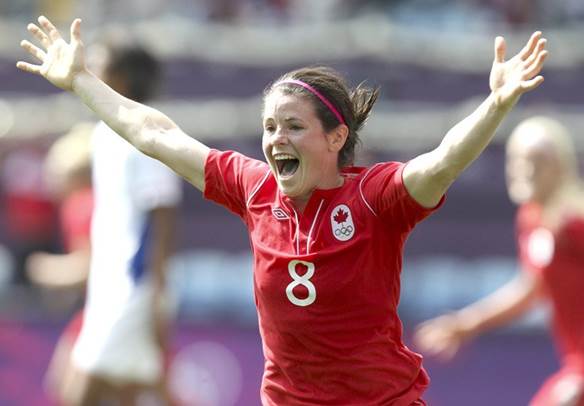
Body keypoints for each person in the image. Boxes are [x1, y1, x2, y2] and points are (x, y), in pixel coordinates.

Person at [17, 16, 547, 405]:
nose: (276, 140)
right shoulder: (253, 189)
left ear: (337, 136)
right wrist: (82, 83)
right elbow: (155, 133)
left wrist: (495, 104)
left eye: (294, 126)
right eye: (270, 127)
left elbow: (443, 160)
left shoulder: (376, 198)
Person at [21, 33, 182, 405]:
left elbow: (162, 217)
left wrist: (157, 295)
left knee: (81, 393)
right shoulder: (105, 134)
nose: (88, 67)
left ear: (121, 79)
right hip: (110, 288)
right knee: (134, 392)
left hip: (133, 290)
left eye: (98, 62)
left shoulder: (147, 135)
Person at [414, 116, 584, 406]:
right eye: (517, 159)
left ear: (560, 165)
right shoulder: (533, 219)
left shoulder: (573, 223)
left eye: (538, 160)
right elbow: (532, 289)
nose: (525, 169)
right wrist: (467, 323)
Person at [25, 122, 94, 405]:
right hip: (109, 309)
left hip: (105, 313)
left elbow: (88, 267)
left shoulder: (80, 205)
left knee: (68, 389)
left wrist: (42, 270)